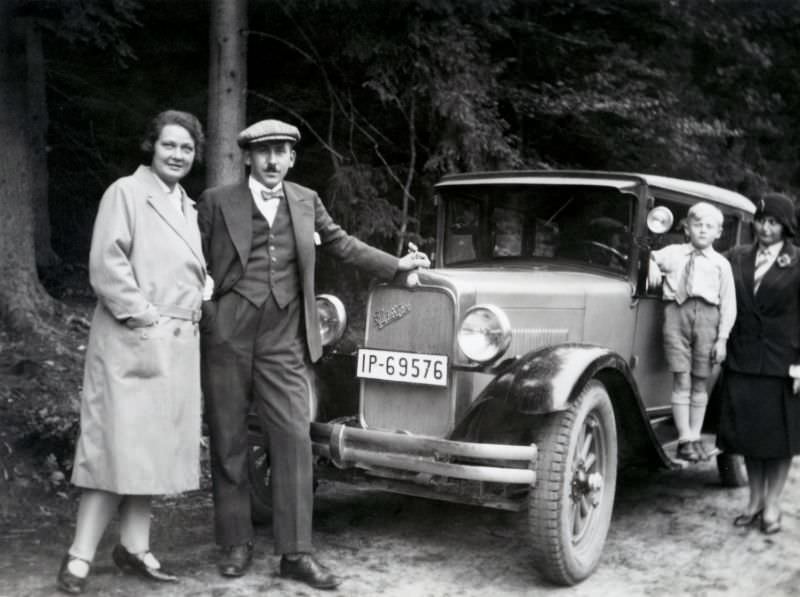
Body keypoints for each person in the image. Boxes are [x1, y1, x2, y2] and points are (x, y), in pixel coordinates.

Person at [197, 118, 429, 590]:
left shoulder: (306, 201)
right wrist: (206, 311)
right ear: (247, 157)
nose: (272, 160)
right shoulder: (217, 202)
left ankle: (295, 553)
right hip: (228, 336)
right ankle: (235, 541)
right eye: (263, 152)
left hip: (284, 339)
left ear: (292, 158)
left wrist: (396, 266)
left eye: (281, 151)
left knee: (294, 440)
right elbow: (192, 260)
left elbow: (342, 243)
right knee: (228, 438)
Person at [56, 110, 209, 594]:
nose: (178, 155)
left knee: (150, 454)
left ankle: (134, 548)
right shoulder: (125, 192)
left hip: (175, 345)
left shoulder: (187, 206)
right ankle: (79, 557)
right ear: (152, 145)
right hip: (131, 340)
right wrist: (143, 315)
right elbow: (106, 264)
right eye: (170, 145)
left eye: (186, 148)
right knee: (113, 452)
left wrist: (199, 289)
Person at [718, 192, 800, 535]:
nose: (765, 228)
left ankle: (773, 505)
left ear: (786, 227)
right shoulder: (735, 257)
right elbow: (707, 270)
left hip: (784, 365)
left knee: (780, 441)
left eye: (773, 223)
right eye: (761, 221)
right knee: (751, 438)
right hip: (743, 361)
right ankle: (753, 501)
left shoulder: (798, 262)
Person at [649, 201, 736, 463]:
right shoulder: (673, 253)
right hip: (677, 314)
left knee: (700, 382)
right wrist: (652, 264)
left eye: (709, 227)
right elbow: (649, 256)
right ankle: (684, 438)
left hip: (708, 319)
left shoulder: (721, 264)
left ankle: (696, 435)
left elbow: (729, 304)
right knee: (681, 379)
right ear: (687, 228)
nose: (702, 230)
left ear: (718, 233)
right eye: (697, 225)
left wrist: (722, 339)